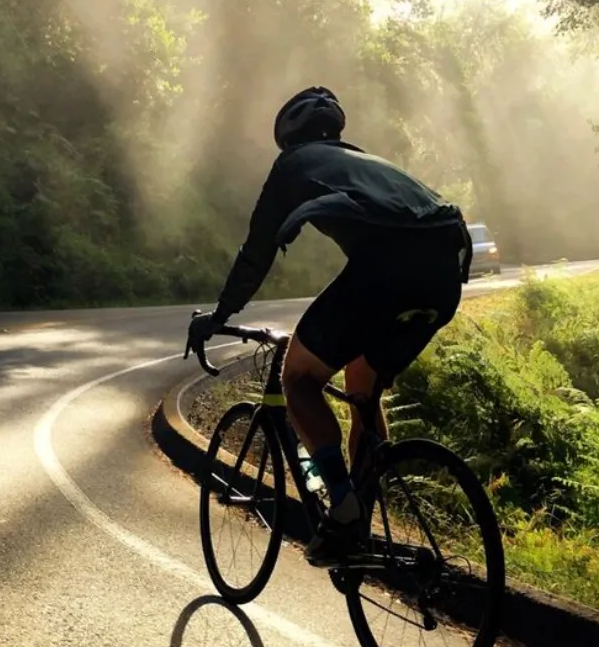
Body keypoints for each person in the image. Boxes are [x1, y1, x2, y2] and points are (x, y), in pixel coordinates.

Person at [186, 85, 474, 566]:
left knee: (298, 379)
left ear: (288, 138)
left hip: (385, 270)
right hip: (445, 275)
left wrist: (220, 314)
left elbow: (256, 253)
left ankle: (343, 507)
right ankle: (362, 503)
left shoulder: (294, 165)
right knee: (362, 383)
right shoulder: (373, 164)